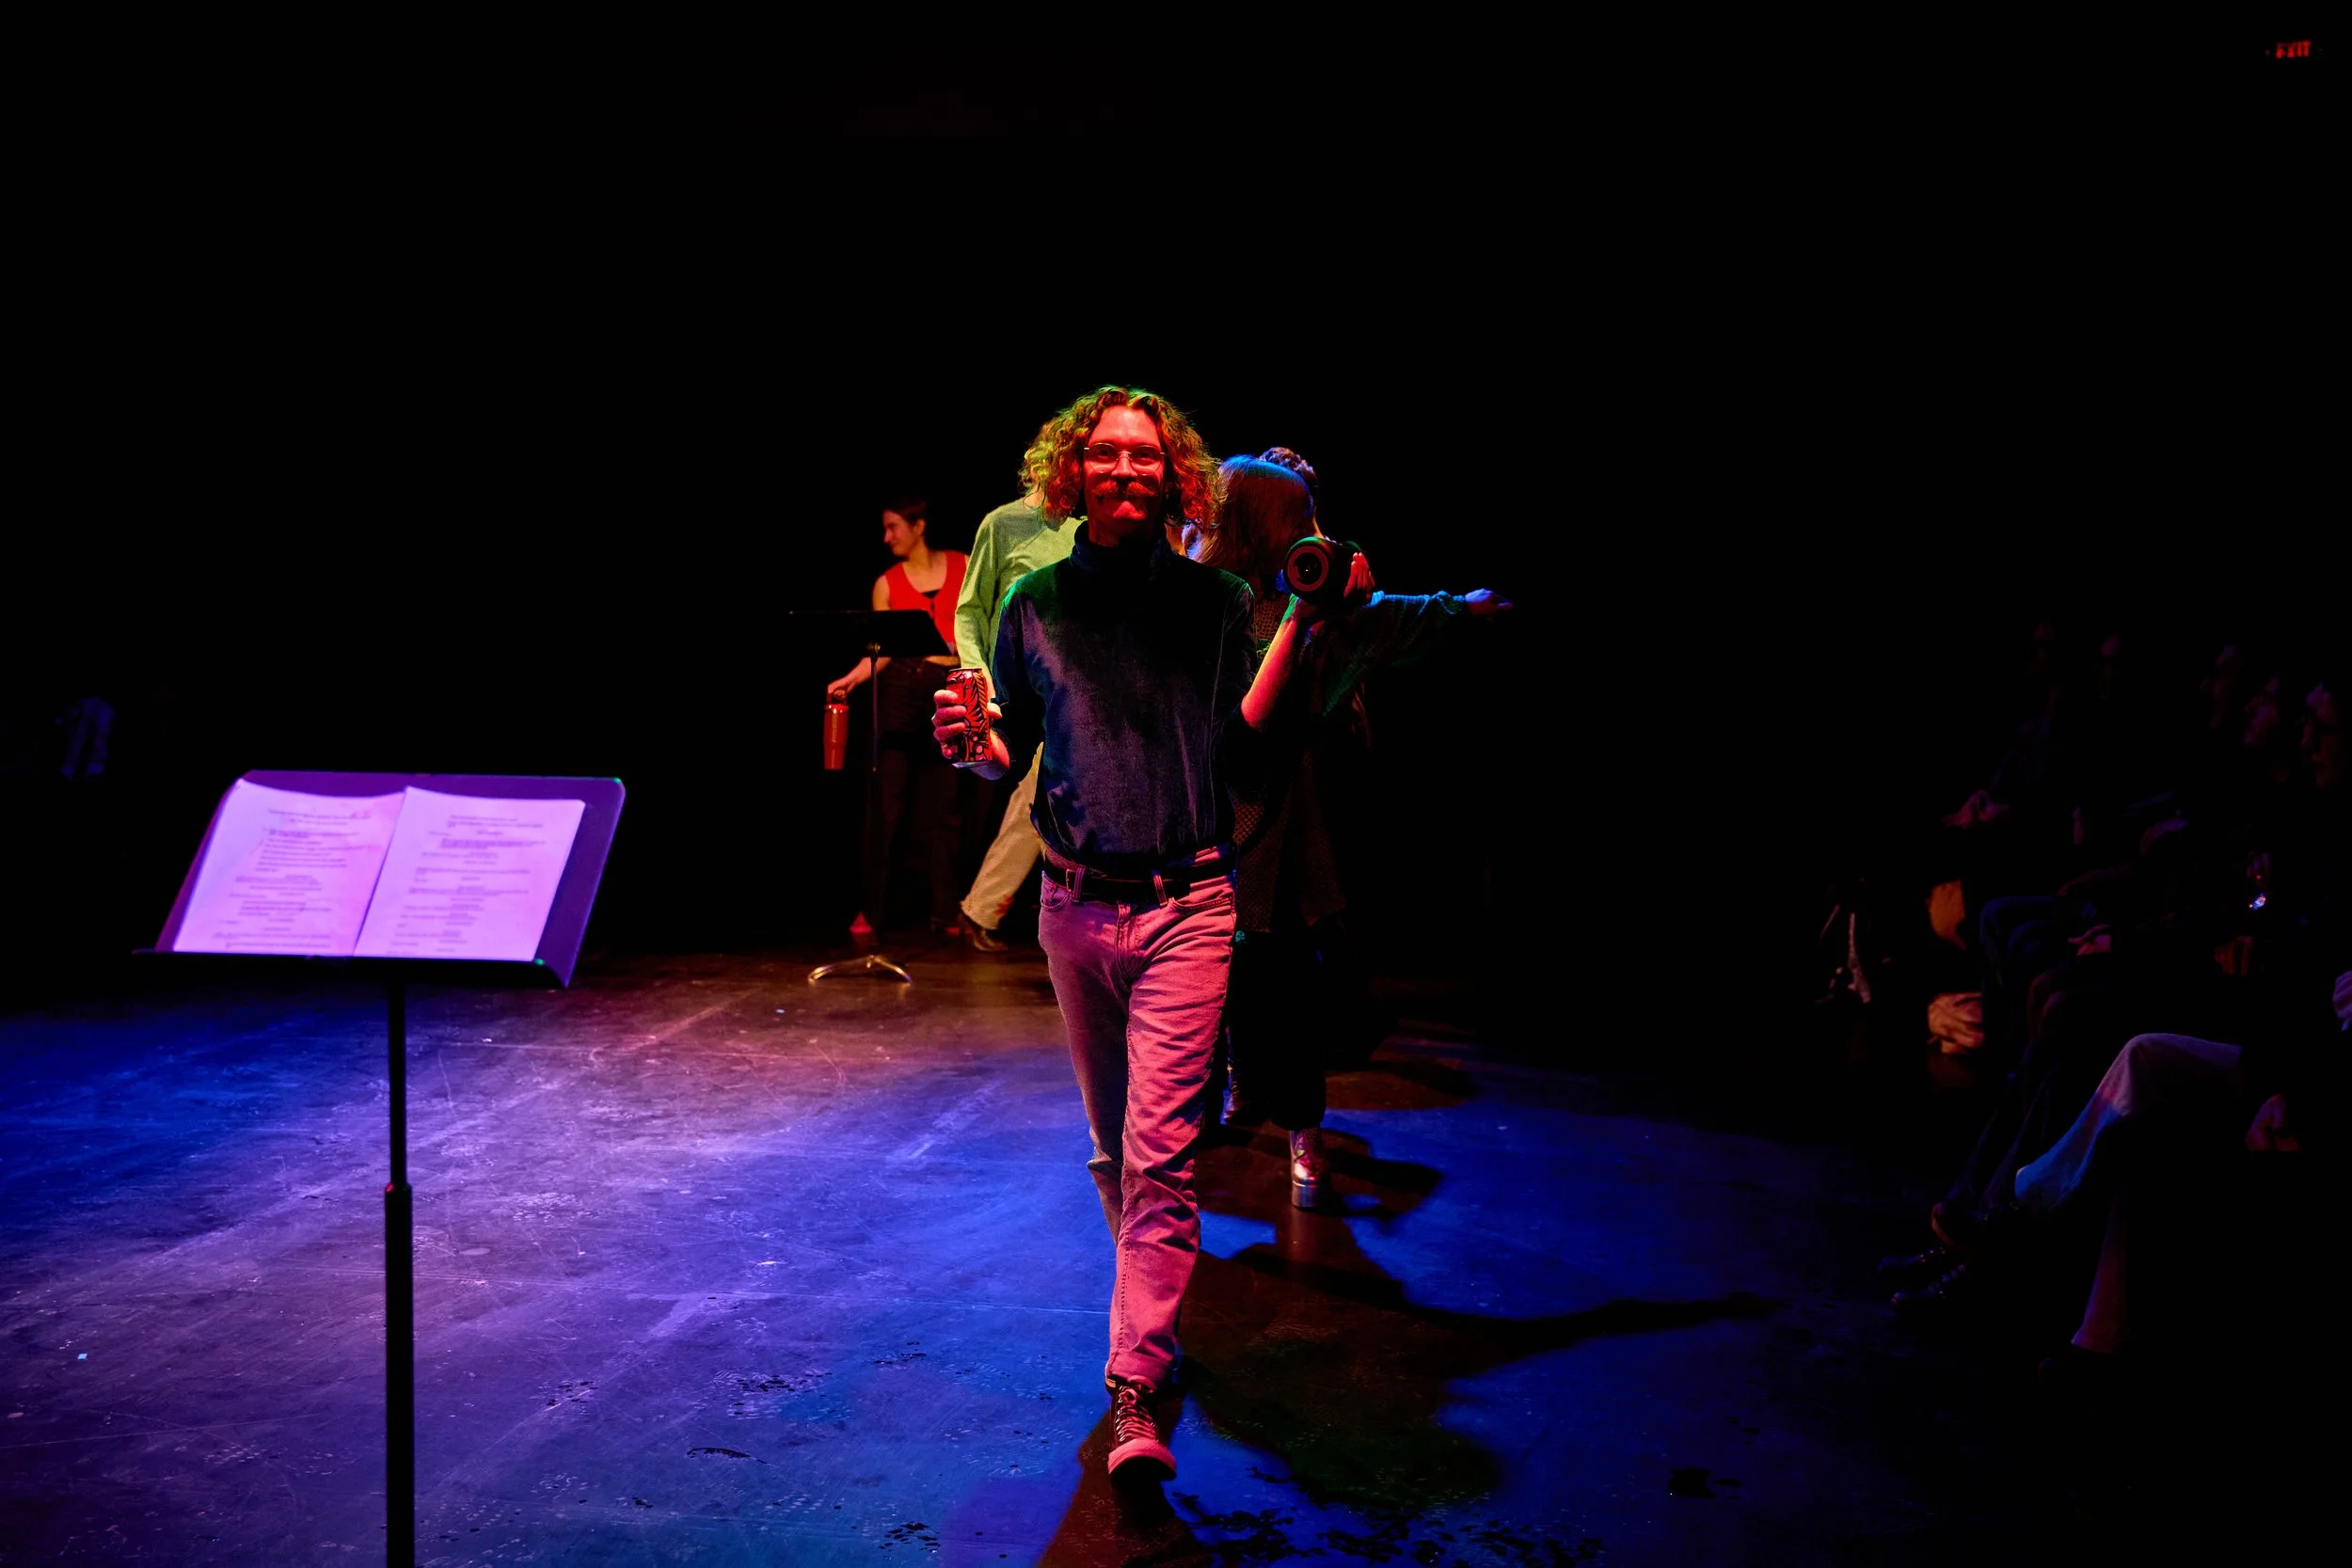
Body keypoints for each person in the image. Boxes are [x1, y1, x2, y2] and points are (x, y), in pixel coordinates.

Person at [929, 386, 1323, 1483]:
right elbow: (1006, 753)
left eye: (1146, 456)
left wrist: (1300, 622)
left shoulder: (1215, 602)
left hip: (1189, 903)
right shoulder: (1034, 602)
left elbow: (1247, 755)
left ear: (1173, 477)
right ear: (1073, 474)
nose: (1126, 470)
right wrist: (968, 749)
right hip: (1072, 907)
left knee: (1160, 1155)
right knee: (1115, 1150)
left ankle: (1135, 1381)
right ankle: (1151, 1309)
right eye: (1105, 454)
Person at [1199, 453, 1511, 1205]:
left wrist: (1462, 607)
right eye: (1298, 519)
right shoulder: (1203, 607)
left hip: (1282, 837)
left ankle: (1303, 1133)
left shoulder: (1319, 604)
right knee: (1203, 994)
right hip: (1208, 832)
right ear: (1258, 525)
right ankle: (1212, 1108)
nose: (1314, 531)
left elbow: (1393, 617)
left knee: (1286, 993)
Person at [827, 496, 967, 939]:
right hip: (903, 688)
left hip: (952, 688)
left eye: (894, 527)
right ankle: (874, 909)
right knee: (888, 803)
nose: (887, 537)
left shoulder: (963, 565)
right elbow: (882, 651)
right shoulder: (886, 583)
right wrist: (851, 679)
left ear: (919, 526)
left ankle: (945, 911)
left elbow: (980, 626)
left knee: (948, 805)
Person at [950, 475, 1077, 952]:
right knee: (1037, 803)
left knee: (1038, 806)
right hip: (1021, 695)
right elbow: (969, 611)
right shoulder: (1004, 524)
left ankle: (983, 909)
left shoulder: (1095, 527)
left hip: (1078, 695)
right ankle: (988, 909)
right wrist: (978, 681)